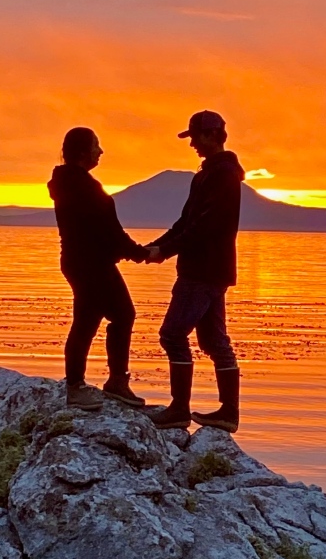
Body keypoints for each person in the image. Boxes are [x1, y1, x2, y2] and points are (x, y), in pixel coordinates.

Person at [145, 110, 244, 432]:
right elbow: (185, 221)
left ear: (213, 135)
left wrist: (166, 249)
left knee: (172, 335)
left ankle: (179, 410)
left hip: (202, 271)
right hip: (211, 270)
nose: (193, 145)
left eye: (196, 137)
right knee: (214, 342)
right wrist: (155, 247)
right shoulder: (206, 175)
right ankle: (228, 413)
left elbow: (205, 226)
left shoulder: (223, 175)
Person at [48, 127, 148, 410]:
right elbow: (109, 233)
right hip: (91, 263)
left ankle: (79, 384)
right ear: (82, 152)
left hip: (77, 261)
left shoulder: (68, 183)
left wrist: (134, 251)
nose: (101, 152)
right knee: (123, 315)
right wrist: (141, 253)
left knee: (87, 320)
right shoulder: (85, 188)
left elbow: (105, 232)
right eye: (96, 146)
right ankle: (109, 383)